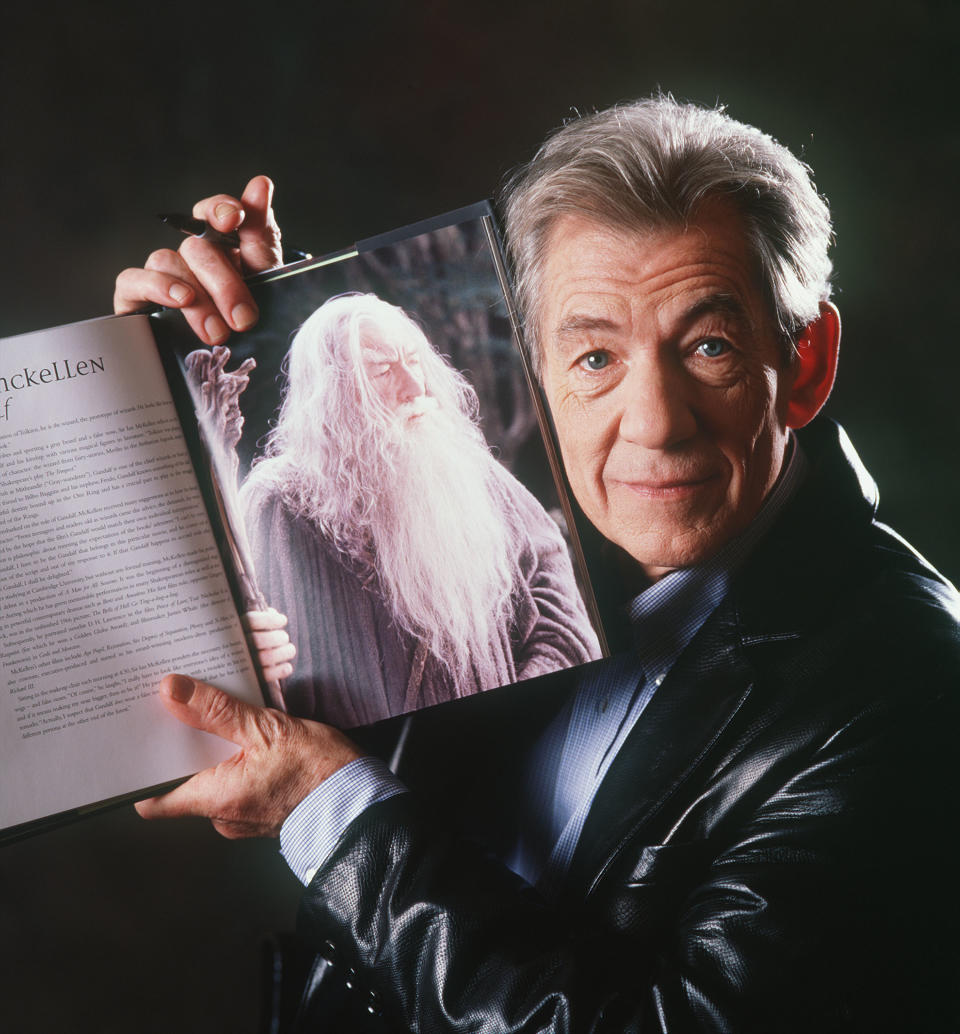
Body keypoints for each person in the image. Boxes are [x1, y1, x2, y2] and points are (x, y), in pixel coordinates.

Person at [117, 98, 960, 1031]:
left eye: (709, 346)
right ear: (534, 365)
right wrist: (225, 351)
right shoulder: (526, 522)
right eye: (595, 355)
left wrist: (332, 815)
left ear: (805, 362)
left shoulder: (912, 684)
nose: (654, 424)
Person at [233, 292, 602, 726]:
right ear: (331, 394)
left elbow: (552, 589)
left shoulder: (466, 468)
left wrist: (524, 704)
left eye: (413, 360)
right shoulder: (281, 502)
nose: (414, 386)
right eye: (383, 371)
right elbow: (275, 683)